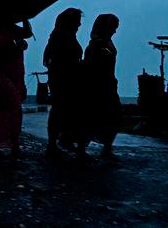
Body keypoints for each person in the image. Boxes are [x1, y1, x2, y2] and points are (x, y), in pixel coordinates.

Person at [0, 20, 32, 156]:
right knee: (8, 110)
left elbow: (27, 33)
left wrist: (25, 19)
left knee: (11, 110)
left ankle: (10, 141)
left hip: (14, 75)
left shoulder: (10, 28)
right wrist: (15, 45)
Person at [78, 13, 122, 160]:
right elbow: (91, 67)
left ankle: (106, 148)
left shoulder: (105, 43)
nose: (114, 31)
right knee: (93, 118)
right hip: (98, 86)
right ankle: (82, 150)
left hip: (108, 84)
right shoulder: (96, 45)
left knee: (111, 117)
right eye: (113, 27)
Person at [42, 8, 84, 157]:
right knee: (60, 110)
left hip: (63, 79)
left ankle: (59, 141)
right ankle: (53, 144)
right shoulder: (62, 37)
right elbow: (62, 61)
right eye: (77, 21)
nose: (79, 24)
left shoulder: (62, 36)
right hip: (63, 80)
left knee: (62, 111)